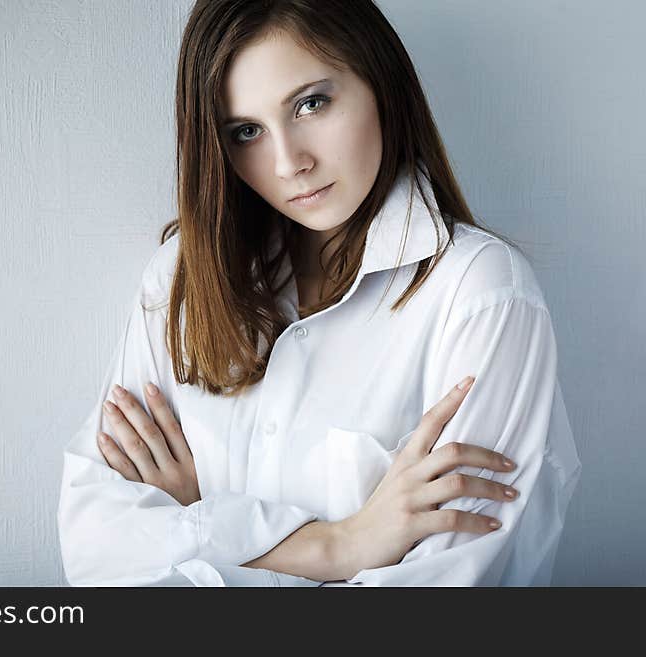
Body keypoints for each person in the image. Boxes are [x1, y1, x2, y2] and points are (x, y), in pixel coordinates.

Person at [57, 0, 581, 586]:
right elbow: (94, 547)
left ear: (381, 83)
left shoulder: (479, 294)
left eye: (311, 104)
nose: (289, 164)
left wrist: (198, 525)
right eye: (246, 131)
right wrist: (338, 545)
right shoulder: (181, 279)